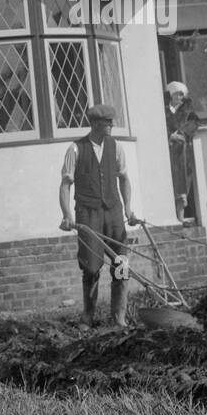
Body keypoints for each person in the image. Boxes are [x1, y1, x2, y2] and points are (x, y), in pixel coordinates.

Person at [59, 104, 139, 327]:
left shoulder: (116, 147)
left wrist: (128, 209)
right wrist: (67, 215)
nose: (112, 125)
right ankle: (88, 315)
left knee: (121, 264)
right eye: (108, 122)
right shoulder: (76, 149)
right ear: (95, 124)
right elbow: (65, 184)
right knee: (91, 266)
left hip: (113, 213)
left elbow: (124, 179)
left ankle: (119, 317)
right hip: (88, 213)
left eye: (112, 122)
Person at [164, 81, 200, 224]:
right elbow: (157, 125)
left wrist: (182, 134)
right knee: (170, 181)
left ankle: (181, 216)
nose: (180, 96)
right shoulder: (164, 110)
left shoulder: (188, 111)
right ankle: (173, 216)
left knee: (183, 181)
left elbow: (194, 125)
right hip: (168, 152)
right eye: (177, 93)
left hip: (183, 152)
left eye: (181, 94)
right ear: (171, 94)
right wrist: (169, 135)